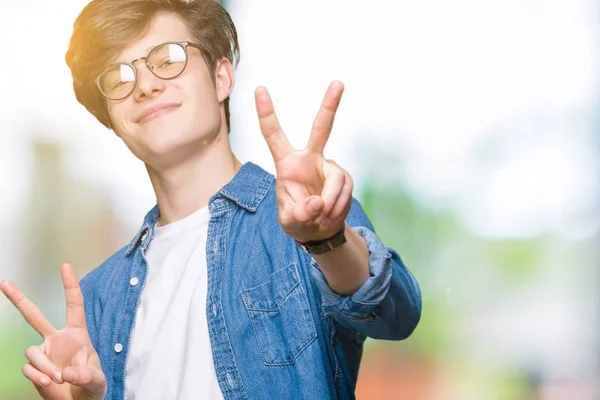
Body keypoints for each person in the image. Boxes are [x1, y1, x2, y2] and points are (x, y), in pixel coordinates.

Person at [0, 0, 422, 399]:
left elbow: (396, 315)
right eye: (119, 78)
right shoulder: (96, 298)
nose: (145, 85)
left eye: (167, 60)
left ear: (221, 77)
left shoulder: (303, 217)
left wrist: (326, 240)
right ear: (111, 117)